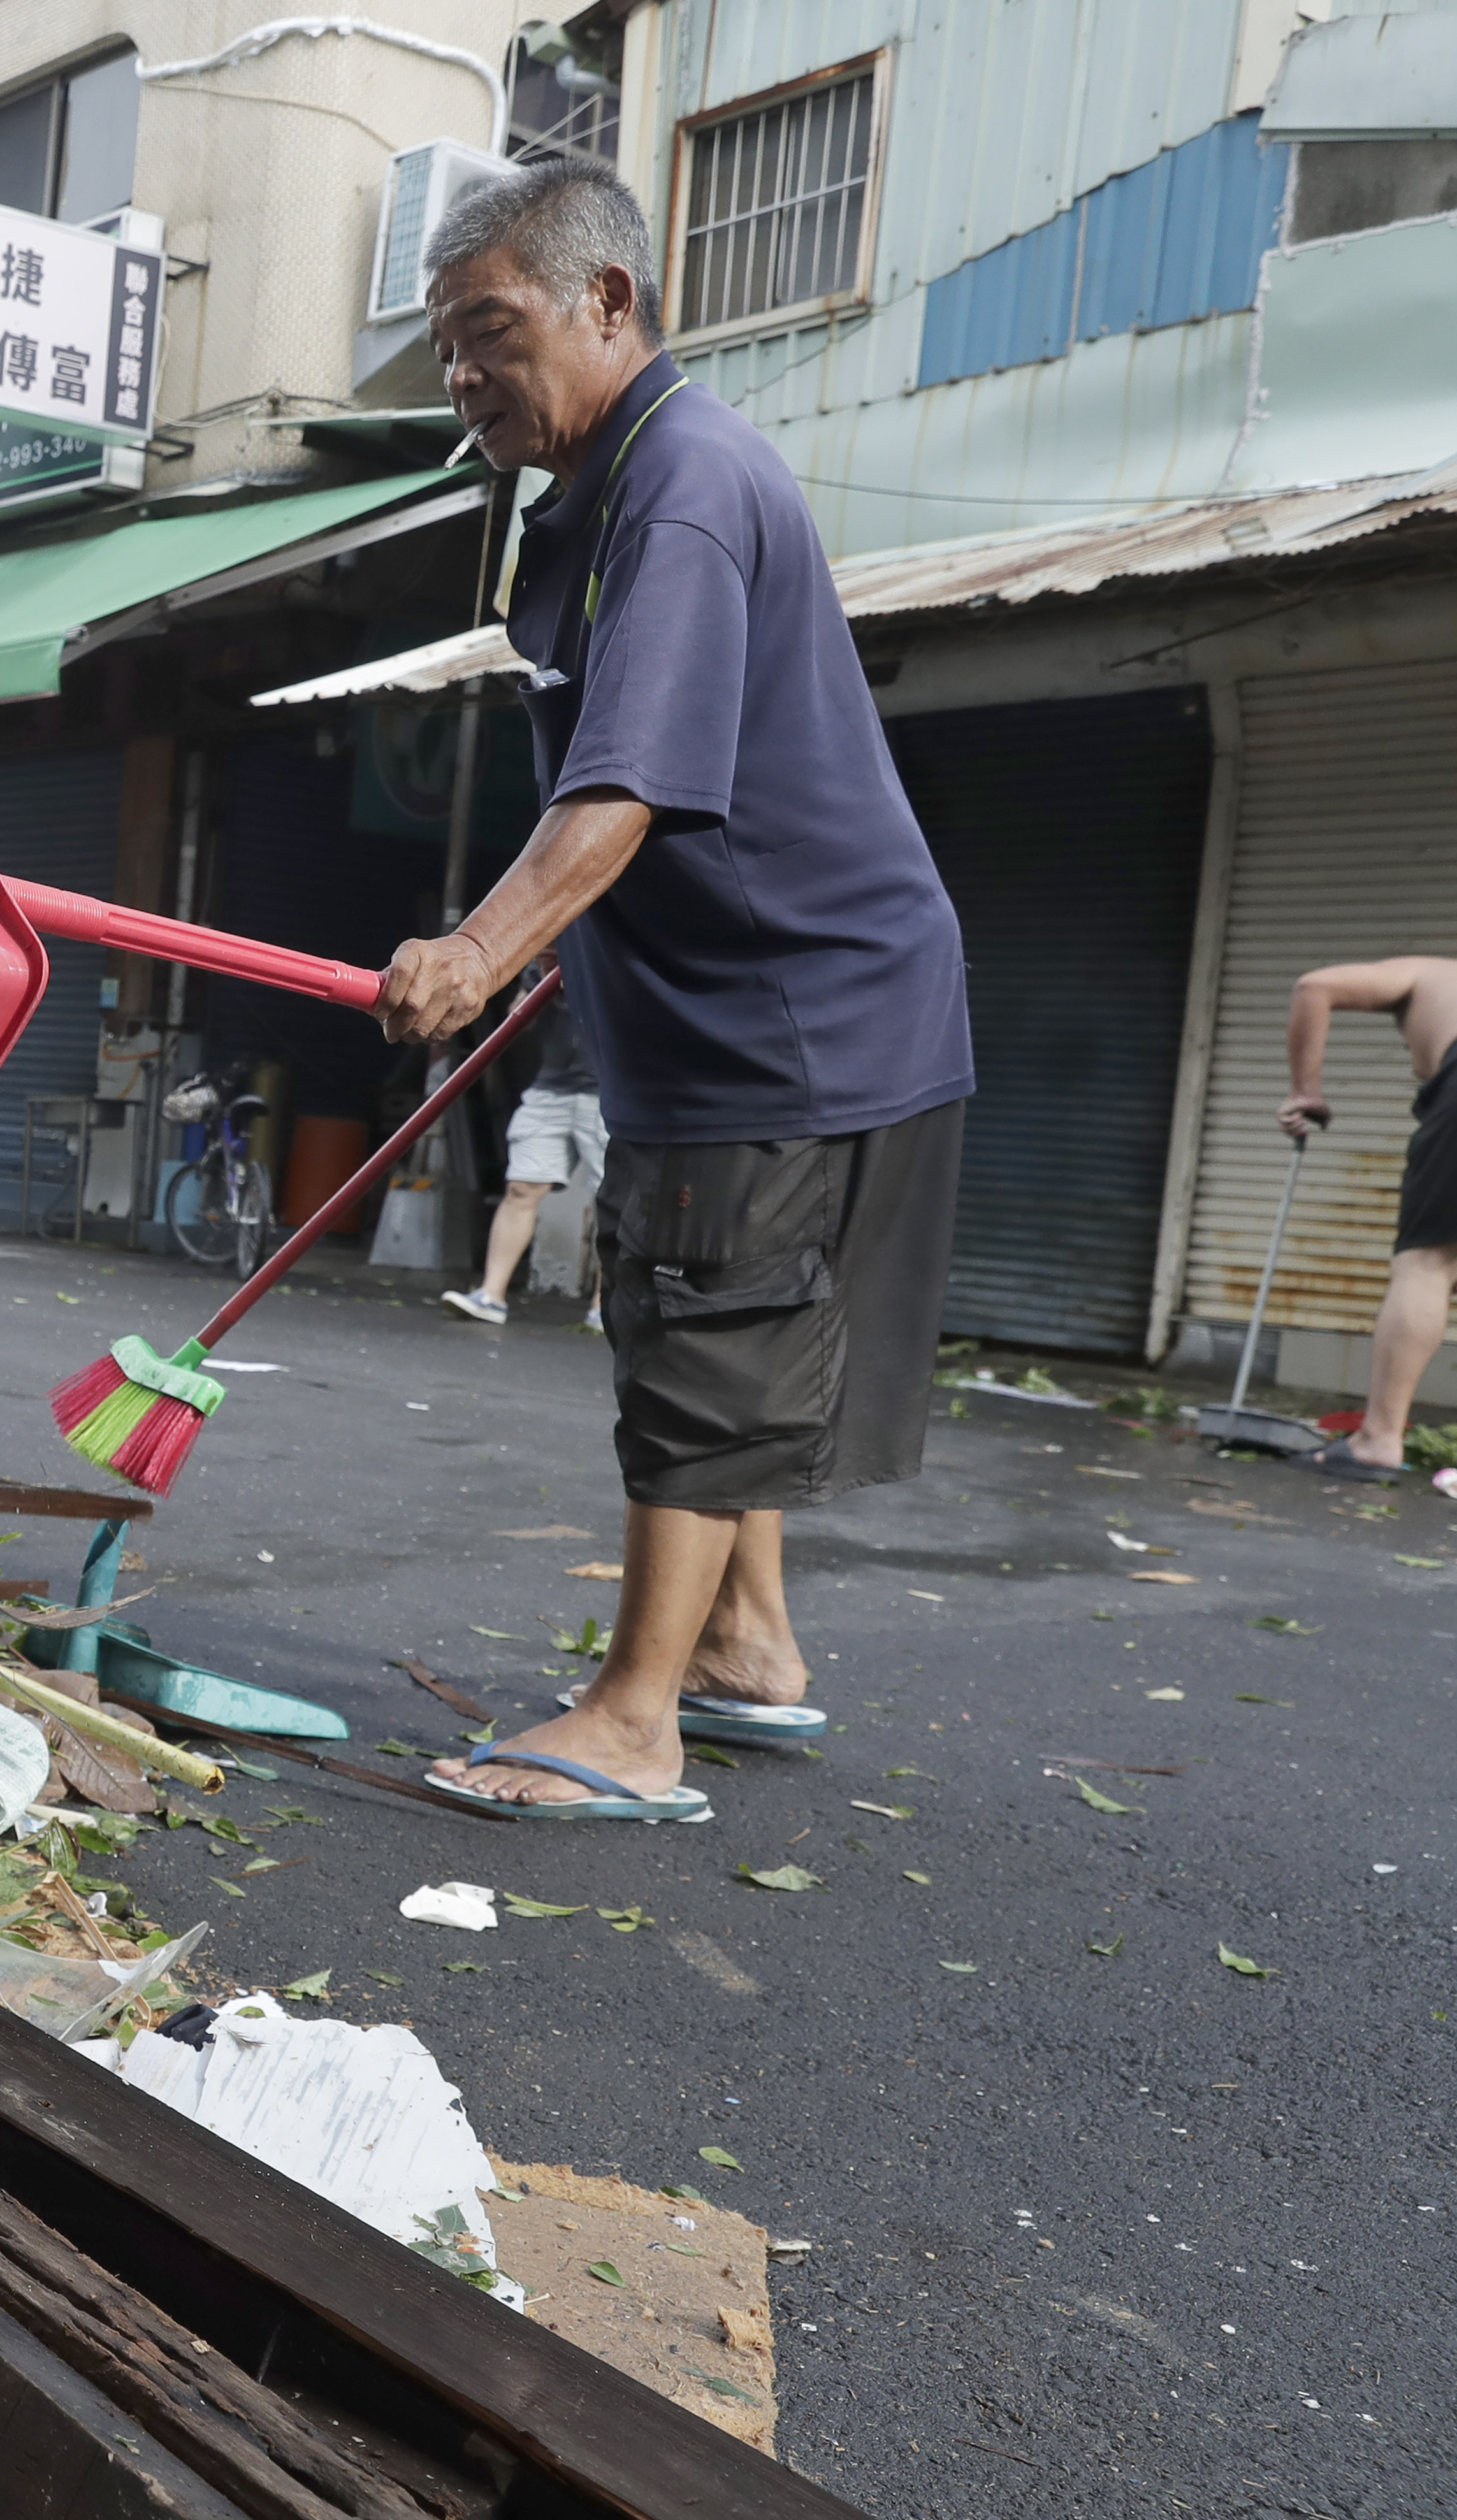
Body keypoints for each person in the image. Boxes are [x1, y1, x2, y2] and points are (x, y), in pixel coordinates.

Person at [371, 161, 975, 1822]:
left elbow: (627, 781)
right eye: (444, 346)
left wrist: (483, 945)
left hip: (795, 1014)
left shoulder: (684, 481)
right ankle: (748, 1650)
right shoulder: (606, 488)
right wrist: (531, 951)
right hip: (754, 1003)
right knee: (704, 1308)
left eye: (491, 330)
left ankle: (636, 1722)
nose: (464, 374)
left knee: (712, 1319)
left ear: (609, 301)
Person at [1275, 955, 1457, 1478]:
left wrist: (1306, 1090)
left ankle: (1377, 1440)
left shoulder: (1421, 973)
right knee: (1443, 1261)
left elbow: (1314, 984)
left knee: (1424, 1266)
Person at [440, 959, 607, 1334]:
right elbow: (520, 1020)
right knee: (521, 1187)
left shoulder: (609, 948)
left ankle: (604, 1308)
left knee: (613, 1199)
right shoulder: (541, 964)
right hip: (552, 1087)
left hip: (610, 1092)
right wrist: (539, 981)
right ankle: (491, 1296)